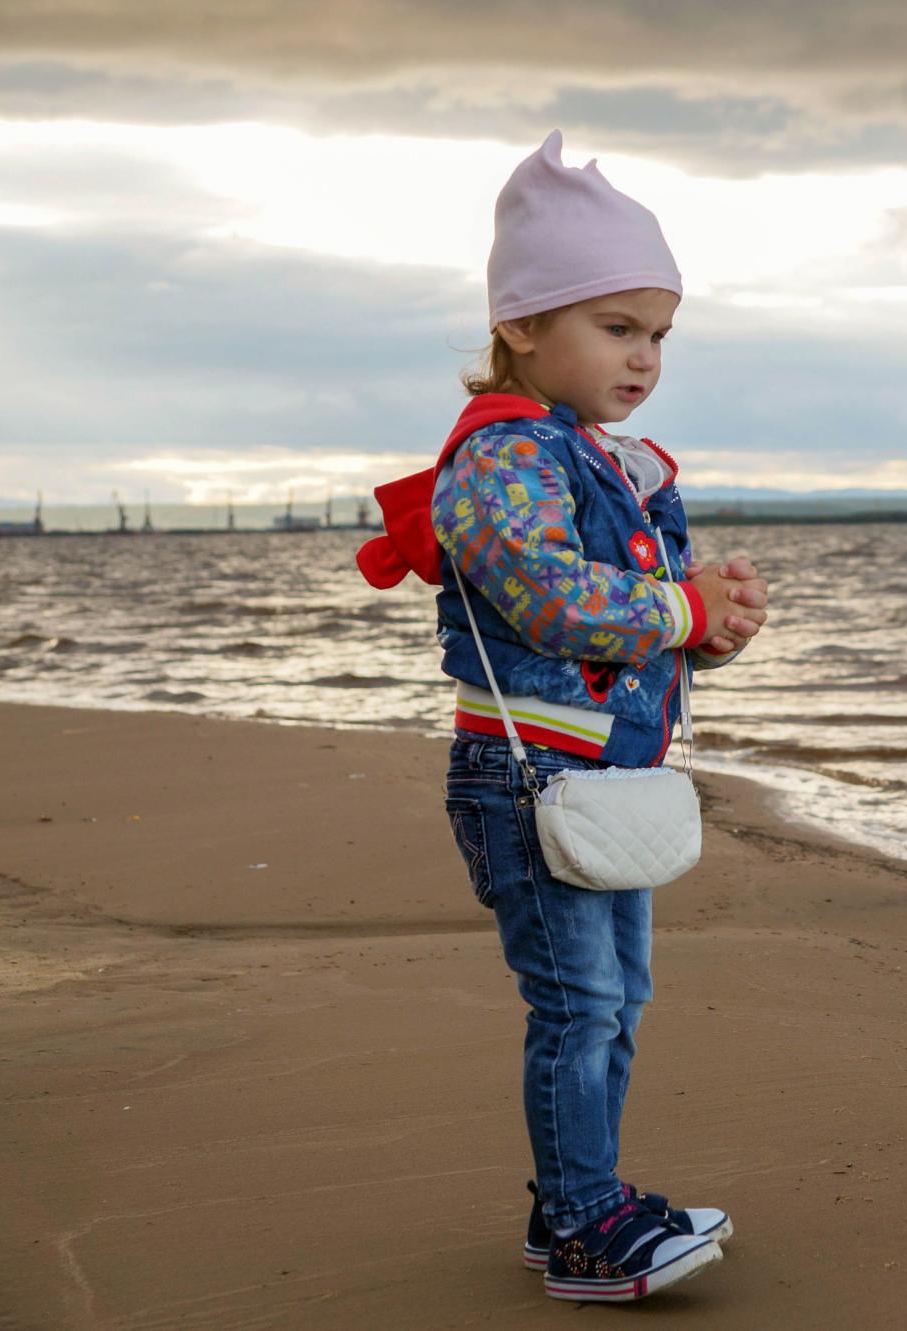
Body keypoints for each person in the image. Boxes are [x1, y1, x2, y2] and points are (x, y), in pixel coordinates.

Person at [355, 129, 769, 1304]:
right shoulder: (504, 457)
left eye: (658, 335)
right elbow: (550, 595)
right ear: (526, 325)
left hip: (597, 775)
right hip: (525, 778)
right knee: (578, 1000)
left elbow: (628, 638)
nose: (644, 358)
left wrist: (710, 628)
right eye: (617, 326)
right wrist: (674, 607)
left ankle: (573, 1199)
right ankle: (587, 1223)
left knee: (617, 998)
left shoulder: (598, 459)